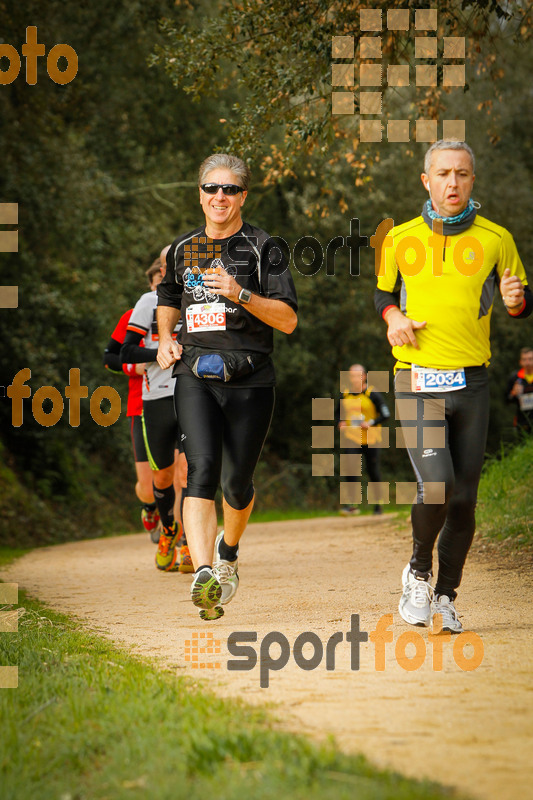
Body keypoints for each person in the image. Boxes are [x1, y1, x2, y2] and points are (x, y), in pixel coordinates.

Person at [375, 140, 532, 633]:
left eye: (462, 174)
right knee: (437, 484)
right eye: (443, 174)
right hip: (417, 378)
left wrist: (516, 301)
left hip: (472, 380)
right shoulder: (399, 238)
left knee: (464, 497)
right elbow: (382, 295)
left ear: (472, 180)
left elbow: (519, 302)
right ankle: (418, 573)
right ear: (426, 180)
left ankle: (445, 596)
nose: (453, 183)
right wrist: (393, 315)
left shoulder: (496, 239)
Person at [156, 153, 298, 620]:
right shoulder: (181, 249)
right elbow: (169, 297)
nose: (220, 196)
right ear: (200, 193)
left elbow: (289, 320)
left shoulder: (265, 247)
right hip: (194, 373)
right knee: (200, 470)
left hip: (251, 377)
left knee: (236, 484)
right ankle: (203, 572)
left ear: (243, 196)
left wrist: (238, 293)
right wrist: (163, 341)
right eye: (211, 188)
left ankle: (228, 554)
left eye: (230, 189)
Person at [121, 256, 192, 573]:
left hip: (194, 394)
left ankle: (191, 545)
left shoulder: (199, 301)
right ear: (161, 273)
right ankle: (168, 530)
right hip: (155, 398)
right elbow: (124, 352)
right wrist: (160, 352)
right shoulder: (147, 302)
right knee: (161, 478)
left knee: (189, 473)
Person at [103, 265, 161, 539]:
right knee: (148, 485)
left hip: (176, 399)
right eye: (157, 279)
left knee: (178, 475)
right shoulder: (134, 315)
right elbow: (110, 357)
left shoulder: (187, 312)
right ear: (150, 284)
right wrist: (131, 368)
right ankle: (151, 507)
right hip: (141, 404)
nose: (162, 283)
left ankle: (178, 537)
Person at [338, 363, 390, 515]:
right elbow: (338, 413)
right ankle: (351, 504)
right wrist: (340, 422)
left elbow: (386, 414)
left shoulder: (373, 394)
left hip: (371, 439)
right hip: (352, 437)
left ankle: (377, 504)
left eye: (358, 375)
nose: (355, 379)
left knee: (372, 470)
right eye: (352, 376)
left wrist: (371, 423)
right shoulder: (345, 394)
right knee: (351, 470)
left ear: (364, 376)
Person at [505, 346, 533, 433]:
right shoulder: (515, 378)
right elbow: (506, 399)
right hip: (522, 421)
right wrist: (513, 393)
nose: (527, 362)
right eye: (524, 359)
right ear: (520, 362)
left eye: (530, 359)